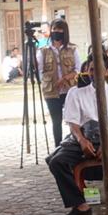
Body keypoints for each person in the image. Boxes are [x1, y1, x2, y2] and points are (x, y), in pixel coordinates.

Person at [47, 56, 108, 215]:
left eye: (99, 69)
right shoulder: (75, 92)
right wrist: (82, 141)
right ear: (86, 70)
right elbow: (73, 123)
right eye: (91, 69)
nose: (94, 73)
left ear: (107, 71)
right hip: (83, 139)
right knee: (57, 162)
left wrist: (107, 144)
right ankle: (80, 205)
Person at [38, 18, 78, 147]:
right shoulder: (43, 50)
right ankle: (58, 147)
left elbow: (78, 69)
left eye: (60, 29)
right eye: (54, 29)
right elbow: (40, 71)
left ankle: (74, 146)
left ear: (65, 31)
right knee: (56, 121)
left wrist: (65, 78)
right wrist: (50, 81)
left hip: (69, 90)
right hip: (51, 91)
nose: (57, 32)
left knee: (73, 120)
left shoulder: (72, 49)